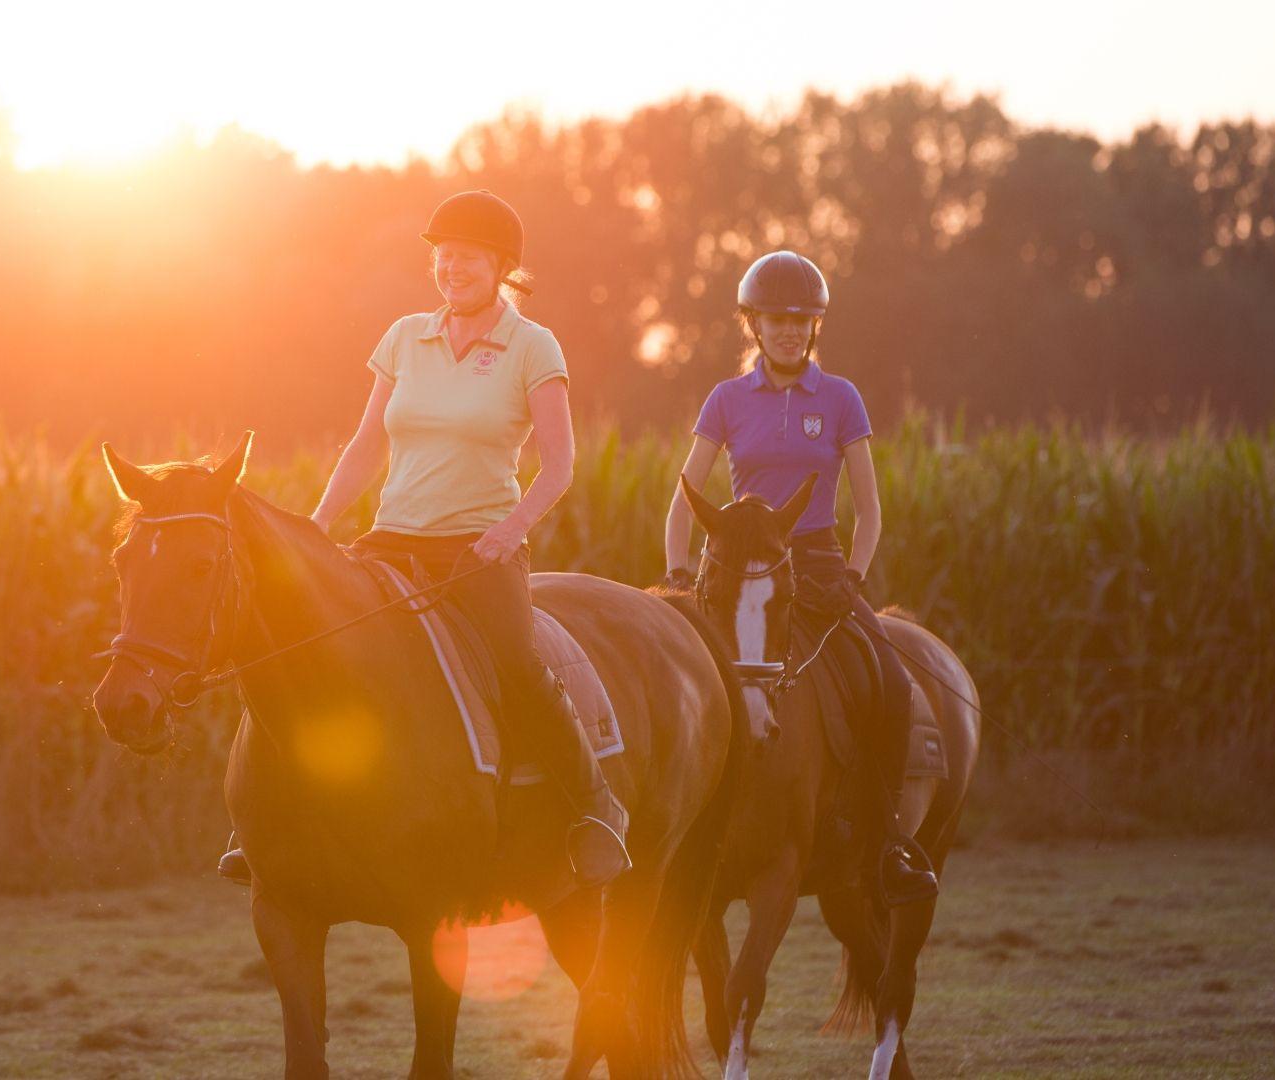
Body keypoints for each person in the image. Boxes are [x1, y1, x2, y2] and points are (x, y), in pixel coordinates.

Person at [218, 190, 631, 889]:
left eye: (466, 257)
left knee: (517, 662)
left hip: (478, 547)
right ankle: (263, 817)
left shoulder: (533, 346)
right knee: (300, 642)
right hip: (389, 539)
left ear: (501, 265)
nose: (451, 268)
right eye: (442, 256)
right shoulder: (405, 337)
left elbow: (559, 465)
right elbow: (364, 445)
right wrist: (319, 527)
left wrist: (510, 532)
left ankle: (595, 809)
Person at [663, 250, 937, 906]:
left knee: (894, 687)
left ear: (815, 325)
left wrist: (854, 576)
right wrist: (678, 568)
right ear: (753, 324)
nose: (788, 329)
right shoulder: (726, 400)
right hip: (734, 567)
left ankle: (888, 840)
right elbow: (684, 499)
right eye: (775, 318)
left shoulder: (841, 399)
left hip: (815, 562)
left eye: (801, 319)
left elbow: (869, 509)